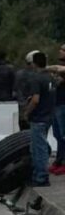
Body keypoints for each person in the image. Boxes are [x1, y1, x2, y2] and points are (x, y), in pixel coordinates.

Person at [24, 51, 56, 187]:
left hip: (38, 118)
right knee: (37, 147)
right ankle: (37, 174)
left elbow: (36, 100)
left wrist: (26, 112)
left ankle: (41, 178)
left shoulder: (36, 78)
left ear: (34, 63)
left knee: (39, 148)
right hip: (49, 116)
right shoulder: (50, 78)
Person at [44, 44, 65, 175]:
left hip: (63, 105)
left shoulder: (61, 68)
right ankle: (59, 159)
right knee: (58, 135)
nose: (60, 51)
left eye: (63, 50)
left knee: (63, 135)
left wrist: (44, 67)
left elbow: (58, 69)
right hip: (57, 104)